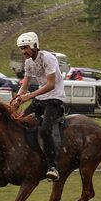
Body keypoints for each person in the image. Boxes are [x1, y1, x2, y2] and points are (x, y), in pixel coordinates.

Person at [10, 32, 65, 181]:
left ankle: (53, 167)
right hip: (40, 99)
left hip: (54, 99)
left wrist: (28, 96)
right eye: (21, 48)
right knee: (19, 121)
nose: (23, 52)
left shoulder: (48, 58)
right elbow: (25, 85)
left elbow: (51, 84)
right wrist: (17, 100)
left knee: (46, 130)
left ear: (34, 45)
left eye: (25, 48)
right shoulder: (28, 63)